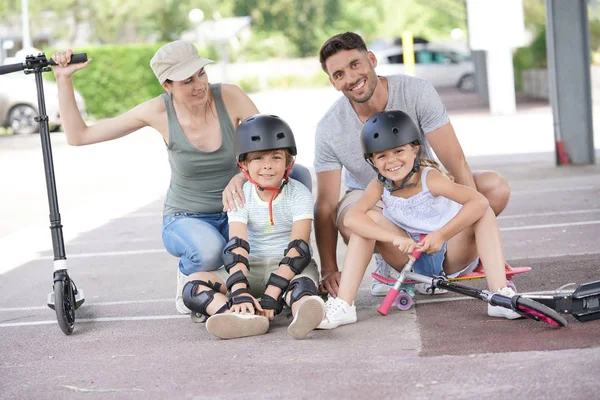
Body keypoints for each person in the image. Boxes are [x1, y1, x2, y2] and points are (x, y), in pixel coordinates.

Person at [50, 41, 311, 315]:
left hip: (237, 210)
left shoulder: (230, 96)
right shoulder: (158, 112)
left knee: (298, 174)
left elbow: (266, 148)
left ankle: (282, 284)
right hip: (188, 216)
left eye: (201, 74)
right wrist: (63, 79)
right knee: (211, 250)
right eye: (187, 81)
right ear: (167, 86)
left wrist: (240, 177)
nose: (199, 85)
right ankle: (190, 281)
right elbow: (79, 136)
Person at [313, 32, 512, 299]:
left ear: (371, 60)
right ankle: (390, 263)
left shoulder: (415, 91)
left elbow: (455, 162)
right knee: (352, 220)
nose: (350, 78)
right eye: (339, 74)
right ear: (333, 82)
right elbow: (325, 205)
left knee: (493, 189)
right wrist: (329, 269)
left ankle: (460, 256)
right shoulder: (329, 128)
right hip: (374, 198)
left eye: (355, 64)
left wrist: (479, 239)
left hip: (421, 187)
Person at [317, 110, 521, 329]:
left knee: (483, 212)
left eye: (398, 151)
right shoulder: (378, 185)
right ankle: (344, 305)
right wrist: (393, 239)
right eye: (382, 156)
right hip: (408, 256)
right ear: (372, 161)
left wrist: (441, 235)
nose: (391, 161)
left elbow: (479, 202)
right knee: (365, 221)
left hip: (451, 253)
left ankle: (499, 297)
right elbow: (352, 220)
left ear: (414, 149)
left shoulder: (430, 178)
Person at [182, 114, 325, 339]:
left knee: (302, 289)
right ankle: (239, 314)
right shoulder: (240, 195)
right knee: (192, 285)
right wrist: (239, 290)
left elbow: (299, 248)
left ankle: (302, 315)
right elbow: (237, 246)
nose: (267, 166)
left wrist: (273, 292)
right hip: (251, 269)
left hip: (289, 271)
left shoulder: (299, 193)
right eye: (258, 158)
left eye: (276, 157)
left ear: (289, 162)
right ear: (244, 164)